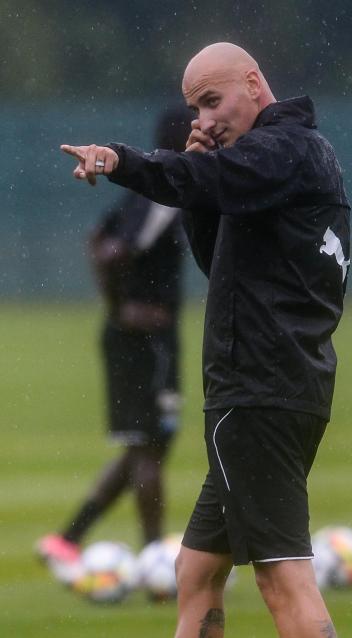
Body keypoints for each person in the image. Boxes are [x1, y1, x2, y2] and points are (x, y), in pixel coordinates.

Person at [60, 42, 349, 638]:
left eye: (213, 101)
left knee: (282, 580)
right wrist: (196, 191)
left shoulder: (281, 149)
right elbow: (222, 261)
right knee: (196, 570)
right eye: (197, 108)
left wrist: (121, 159)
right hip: (280, 384)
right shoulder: (288, 158)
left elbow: (197, 175)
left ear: (252, 82)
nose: (206, 119)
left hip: (257, 390)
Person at [37, 106, 192, 583]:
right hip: (143, 339)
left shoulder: (150, 191)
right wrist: (121, 306)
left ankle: (67, 540)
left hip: (143, 337)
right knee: (148, 450)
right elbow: (111, 251)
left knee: (144, 447)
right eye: (203, 123)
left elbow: (95, 237)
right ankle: (154, 561)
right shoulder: (164, 198)